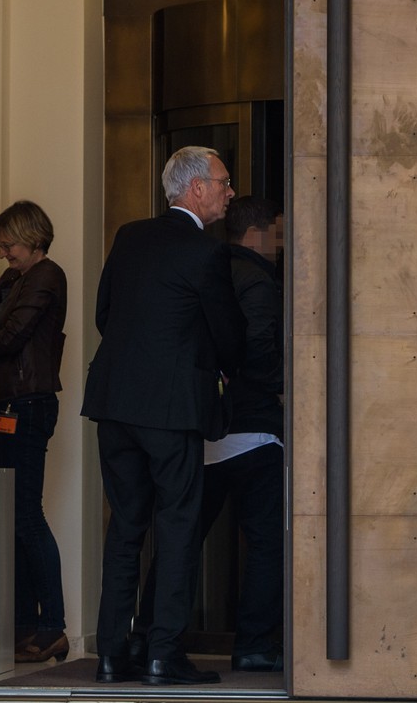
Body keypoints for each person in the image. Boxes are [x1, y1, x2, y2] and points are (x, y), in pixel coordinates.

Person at [81, 145, 246, 687]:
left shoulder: (129, 236)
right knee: (177, 527)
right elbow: (228, 335)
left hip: (114, 404)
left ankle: (110, 654)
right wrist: (215, 367)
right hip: (171, 410)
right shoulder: (205, 252)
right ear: (196, 189)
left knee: (126, 525)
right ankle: (162, 655)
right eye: (224, 182)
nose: (229, 192)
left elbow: (107, 313)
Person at [0, 200, 70, 664]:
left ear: (32, 240)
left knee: (25, 516)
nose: (2, 253)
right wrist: (2, 283)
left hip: (27, 406)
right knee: (6, 516)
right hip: (5, 405)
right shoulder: (17, 278)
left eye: (8, 244)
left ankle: (52, 625)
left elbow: (12, 336)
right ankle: (19, 626)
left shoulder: (47, 275)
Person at [210, 195, 286, 672]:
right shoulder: (258, 278)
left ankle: (152, 637)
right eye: (277, 234)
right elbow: (258, 348)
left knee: (182, 538)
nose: (280, 244)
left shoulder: (212, 273)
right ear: (257, 233)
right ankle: (255, 645)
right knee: (265, 542)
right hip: (254, 430)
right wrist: (283, 389)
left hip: (207, 430)